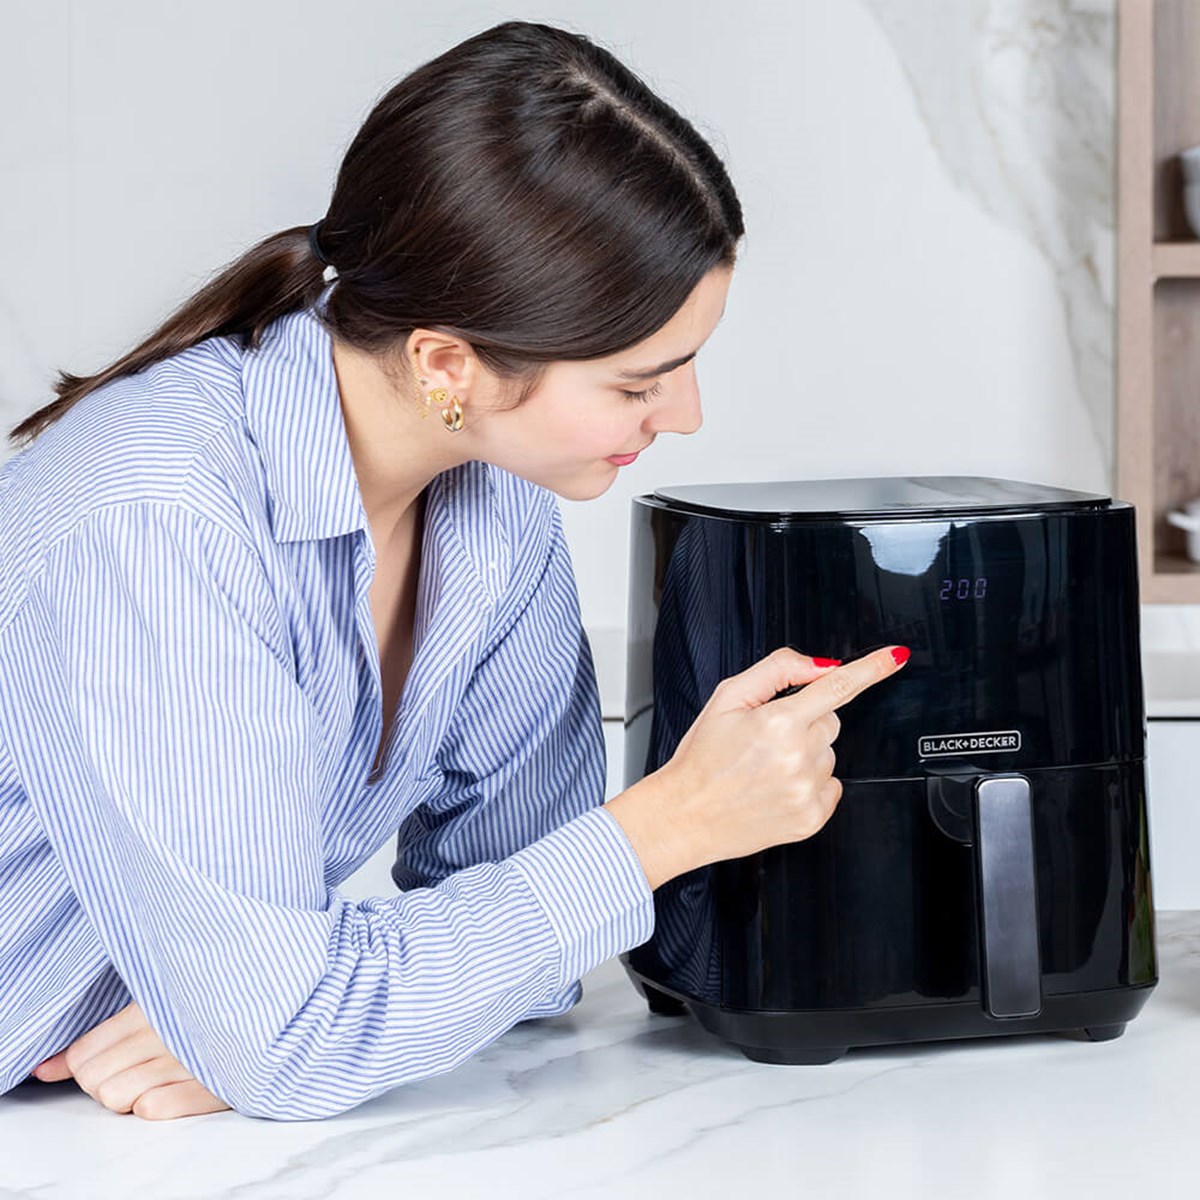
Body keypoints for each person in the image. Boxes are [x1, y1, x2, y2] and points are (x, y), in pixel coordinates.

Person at [0, 21, 907, 1122]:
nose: (686, 416)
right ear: (446, 364)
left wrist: (292, 1013)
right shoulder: (158, 520)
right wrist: (672, 824)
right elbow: (294, 1039)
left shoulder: (490, 497)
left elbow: (531, 942)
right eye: (637, 384)